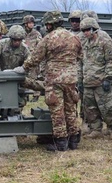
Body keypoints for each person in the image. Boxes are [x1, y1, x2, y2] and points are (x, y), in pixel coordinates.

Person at [21, 10, 83, 151]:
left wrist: (23, 68)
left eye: (47, 24)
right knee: (70, 109)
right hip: (71, 79)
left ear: (51, 24)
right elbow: (80, 56)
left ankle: (60, 142)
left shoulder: (48, 38)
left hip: (54, 80)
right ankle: (73, 140)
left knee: (57, 110)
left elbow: (35, 57)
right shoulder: (74, 38)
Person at [79, 17, 112, 140]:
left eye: (87, 30)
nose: (85, 32)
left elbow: (111, 60)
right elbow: (81, 62)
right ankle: (95, 129)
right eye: (83, 30)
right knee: (90, 108)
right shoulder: (85, 43)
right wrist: (80, 79)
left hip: (101, 80)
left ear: (94, 29)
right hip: (88, 81)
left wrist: (108, 78)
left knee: (108, 107)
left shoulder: (105, 41)